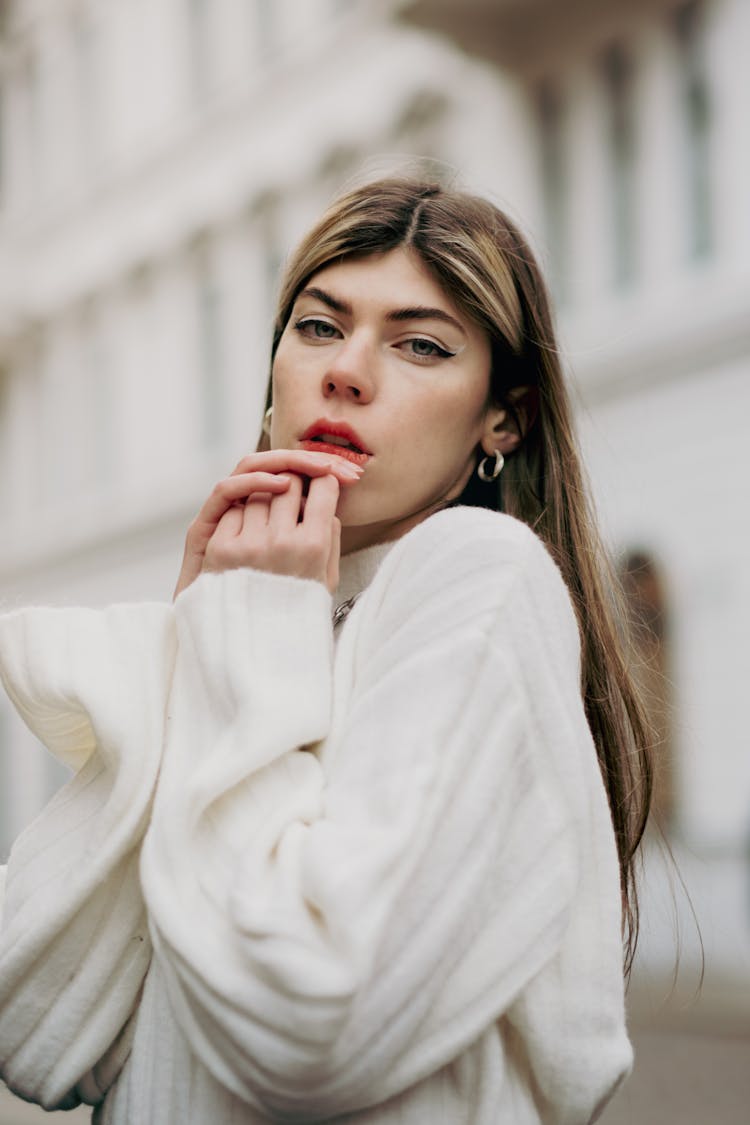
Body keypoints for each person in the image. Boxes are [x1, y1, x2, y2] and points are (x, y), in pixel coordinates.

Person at [0, 176, 652, 1123]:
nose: (347, 371)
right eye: (317, 327)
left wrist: (248, 633)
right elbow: (47, 1030)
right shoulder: (257, 620)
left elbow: (316, 1022)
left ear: (502, 419)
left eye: (420, 345)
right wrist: (199, 637)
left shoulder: (479, 573)